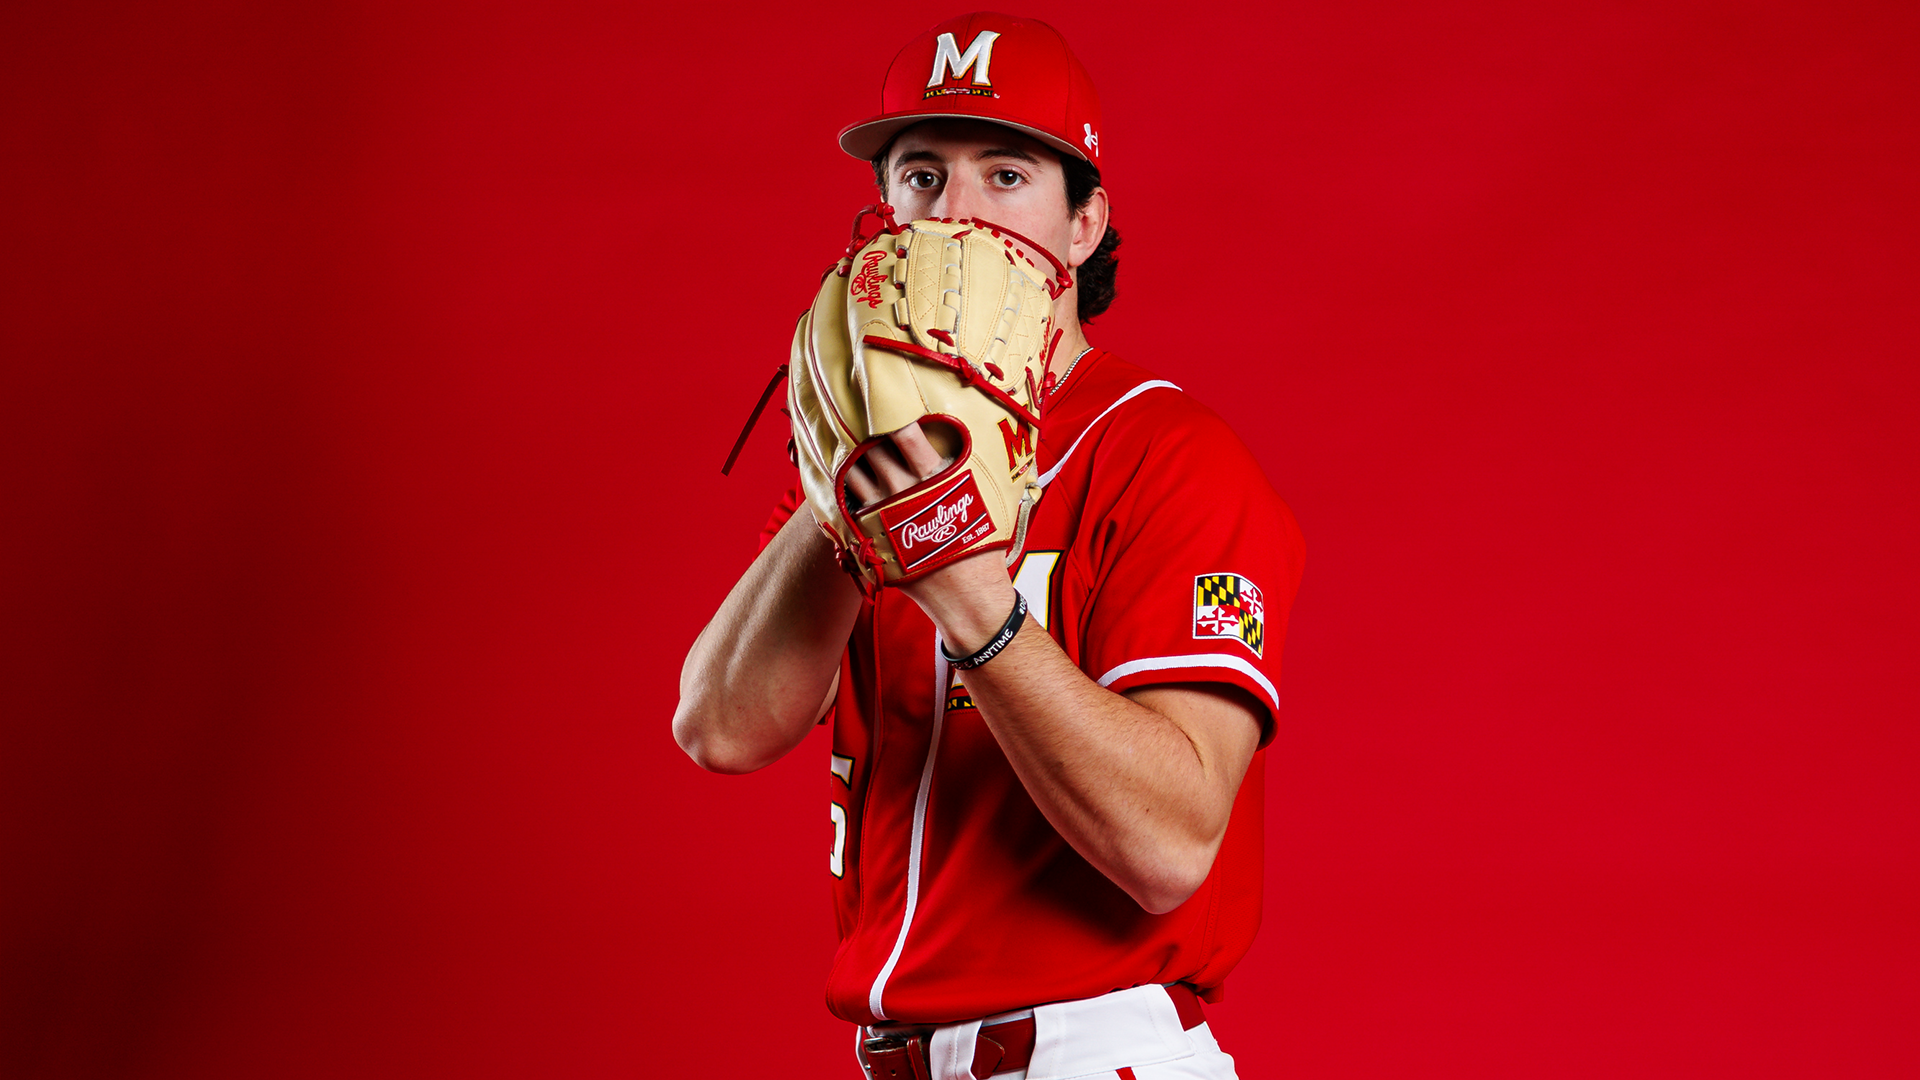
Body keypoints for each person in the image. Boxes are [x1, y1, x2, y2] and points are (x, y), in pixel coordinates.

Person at [674, 12, 1304, 1079]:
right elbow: (720, 728)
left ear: (1084, 225)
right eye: (921, 175)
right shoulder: (875, 457)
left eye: (1005, 175)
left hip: (1086, 1055)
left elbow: (1170, 848)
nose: (954, 213)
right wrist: (839, 486)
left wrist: (974, 604)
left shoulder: (1172, 457)